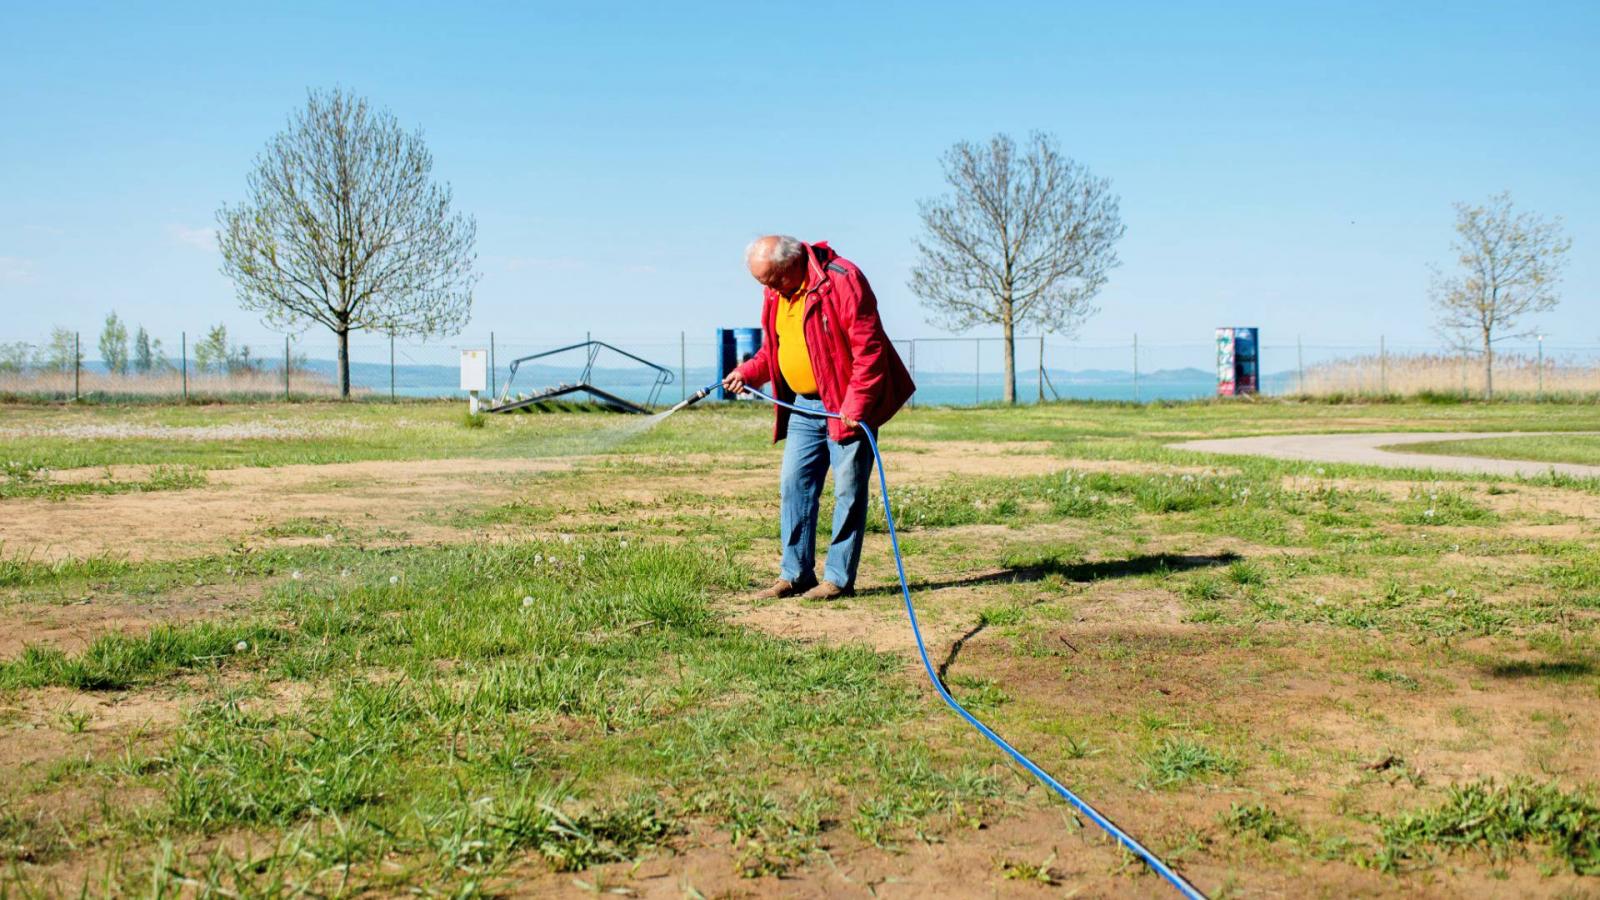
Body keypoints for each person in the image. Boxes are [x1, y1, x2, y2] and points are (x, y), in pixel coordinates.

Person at [723, 235, 915, 599]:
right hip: (802, 407)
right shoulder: (777, 293)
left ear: (793, 262)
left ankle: (838, 580)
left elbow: (869, 349)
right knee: (794, 487)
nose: (768, 289)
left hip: (845, 407)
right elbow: (775, 350)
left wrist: (855, 406)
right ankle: (795, 574)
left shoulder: (842, 280)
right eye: (761, 282)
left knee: (848, 492)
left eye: (772, 279)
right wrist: (748, 372)